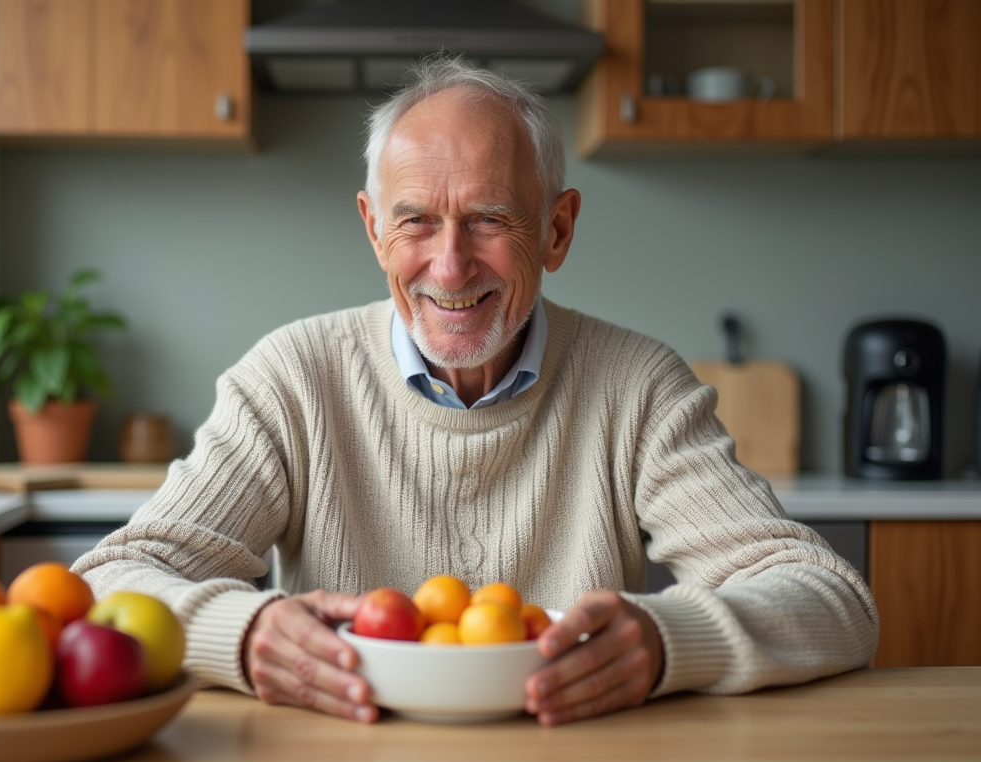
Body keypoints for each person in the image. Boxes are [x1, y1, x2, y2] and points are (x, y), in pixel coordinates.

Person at [73, 56, 878, 726]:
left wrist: (670, 641)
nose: (450, 266)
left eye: (490, 220)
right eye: (416, 221)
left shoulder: (638, 388)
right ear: (371, 229)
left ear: (556, 230)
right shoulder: (290, 380)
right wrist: (241, 634)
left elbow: (833, 600)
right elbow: (108, 581)